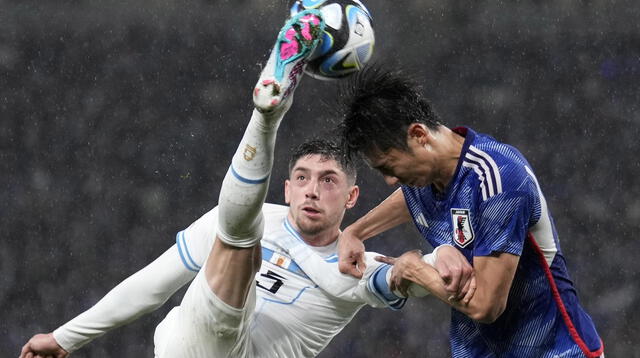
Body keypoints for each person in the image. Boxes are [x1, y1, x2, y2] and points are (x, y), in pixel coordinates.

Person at [20, 11, 472, 358]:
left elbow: (398, 278)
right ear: (287, 189)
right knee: (238, 234)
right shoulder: (260, 219)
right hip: (187, 343)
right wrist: (63, 338)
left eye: (329, 181)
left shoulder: (354, 261)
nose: (313, 190)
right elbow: (154, 285)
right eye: (302, 179)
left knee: (241, 237)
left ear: (352, 197)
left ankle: (269, 110)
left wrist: (439, 256)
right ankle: (267, 112)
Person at [336, 66, 604, 358]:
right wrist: (356, 231)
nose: (390, 180)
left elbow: (486, 306)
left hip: (555, 351)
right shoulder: (427, 175)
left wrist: (415, 269)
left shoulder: (500, 179)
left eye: (390, 167)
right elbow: (409, 195)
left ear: (419, 135)